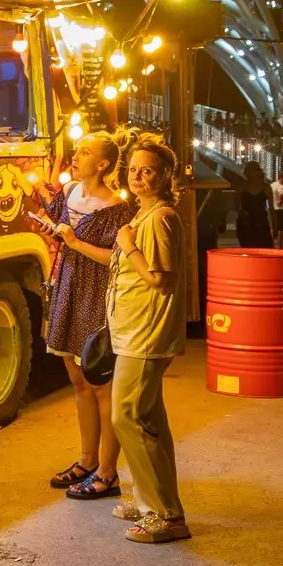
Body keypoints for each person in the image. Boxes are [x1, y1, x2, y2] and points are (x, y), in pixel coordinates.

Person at [39, 132, 136, 501]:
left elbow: (118, 260)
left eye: (85, 152)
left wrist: (76, 243)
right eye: (77, 150)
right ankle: (86, 460)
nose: (75, 156)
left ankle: (108, 473)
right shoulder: (69, 194)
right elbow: (62, 231)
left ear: (104, 164)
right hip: (69, 286)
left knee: (101, 385)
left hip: (96, 295)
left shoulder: (118, 208)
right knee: (78, 380)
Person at [106, 134, 191, 543]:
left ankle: (164, 516)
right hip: (133, 330)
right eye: (134, 169)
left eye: (148, 171)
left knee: (126, 416)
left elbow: (161, 279)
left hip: (145, 334)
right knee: (151, 420)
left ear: (164, 176)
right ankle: (151, 502)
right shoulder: (144, 215)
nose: (139, 176)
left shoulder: (159, 218)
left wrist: (129, 248)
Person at [234, 161, 274, 247]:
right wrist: (275, 225)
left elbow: (236, 206)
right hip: (259, 221)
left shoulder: (241, 187)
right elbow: (272, 209)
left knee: (248, 248)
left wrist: (241, 213)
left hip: (247, 222)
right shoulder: (265, 188)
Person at [270, 170, 283, 247]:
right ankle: (280, 247)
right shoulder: (280, 186)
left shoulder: (272, 185)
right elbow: (281, 194)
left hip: (274, 209)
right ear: (282, 178)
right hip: (281, 209)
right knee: (281, 230)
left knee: (273, 228)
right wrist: (281, 201)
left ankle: (271, 245)